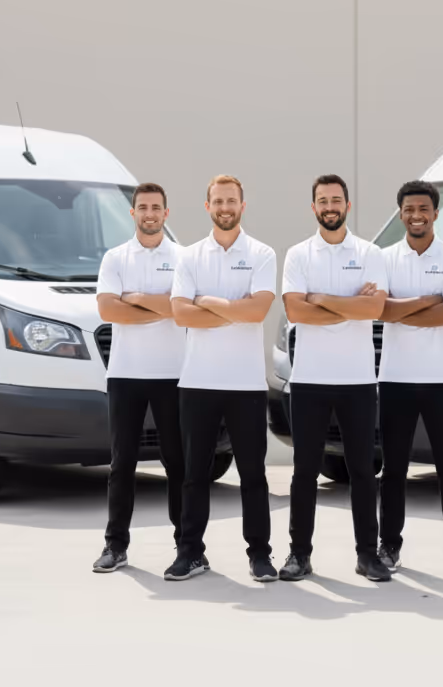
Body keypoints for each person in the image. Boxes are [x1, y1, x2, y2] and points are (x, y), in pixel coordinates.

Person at [278, 174, 392, 583]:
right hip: (309, 380)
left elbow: (375, 309)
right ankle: (299, 555)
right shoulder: (298, 255)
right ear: (314, 207)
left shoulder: (369, 253)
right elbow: (296, 311)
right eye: (323, 201)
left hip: (357, 381)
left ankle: (367, 555)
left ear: (348, 205)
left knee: (362, 470)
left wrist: (322, 299)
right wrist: (351, 304)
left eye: (336, 200)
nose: (330, 207)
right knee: (304, 471)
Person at [165, 175, 278, 582]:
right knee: (194, 475)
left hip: (246, 385)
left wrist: (207, 302)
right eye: (218, 201)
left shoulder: (262, 254)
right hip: (197, 382)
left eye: (231, 201)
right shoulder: (190, 256)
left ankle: (260, 555)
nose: (225, 208)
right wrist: (235, 309)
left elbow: (257, 312)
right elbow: (181, 314)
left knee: (253, 476)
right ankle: (190, 553)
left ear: (242, 206)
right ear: (207, 206)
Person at [377, 179, 443, 577]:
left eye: (423, 209)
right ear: (400, 214)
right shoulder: (384, 258)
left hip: (442, 380)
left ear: (435, 213)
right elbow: (380, 311)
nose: (416, 216)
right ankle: (389, 546)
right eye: (409, 210)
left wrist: (403, 309)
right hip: (395, 379)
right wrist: (427, 301)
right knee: (393, 470)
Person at [92, 182, 186, 573]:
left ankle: (187, 547)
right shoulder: (115, 258)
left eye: (156, 207)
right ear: (132, 213)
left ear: (166, 213)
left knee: (177, 463)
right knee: (122, 463)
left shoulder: (182, 257)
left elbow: (181, 309)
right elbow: (108, 311)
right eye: (143, 207)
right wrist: (159, 306)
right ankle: (115, 546)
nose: (149, 214)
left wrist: (134, 298)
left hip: (172, 374)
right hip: (125, 374)